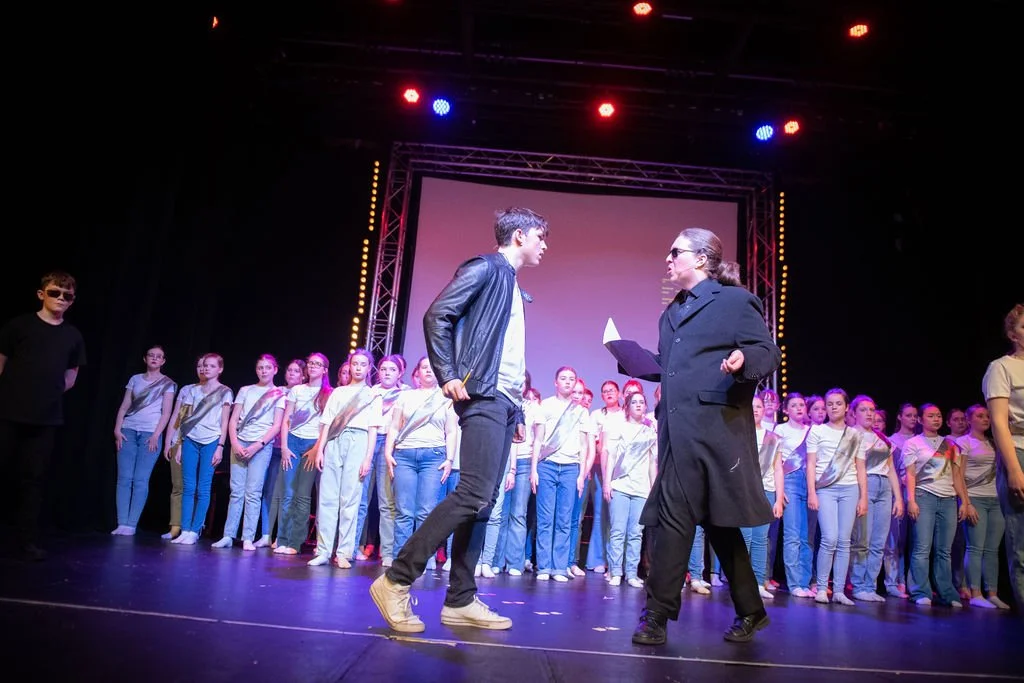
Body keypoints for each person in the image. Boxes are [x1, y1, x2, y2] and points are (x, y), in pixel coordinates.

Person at [369, 207, 548, 633]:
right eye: (541, 236)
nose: (545, 245)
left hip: (503, 400)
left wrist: (517, 408)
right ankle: (396, 580)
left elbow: (509, 355)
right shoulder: (487, 268)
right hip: (481, 394)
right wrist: (447, 373)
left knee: (483, 502)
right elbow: (438, 314)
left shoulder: (512, 284)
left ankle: (461, 600)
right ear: (520, 235)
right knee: (471, 493)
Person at [629, 227, 780, 646]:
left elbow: (767, 351)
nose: (668, 259)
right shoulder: (671, 311)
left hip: (717, 433)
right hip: (678, 432)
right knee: (674, 521)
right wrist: (634, 360)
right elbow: (674, 366)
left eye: (674, 252)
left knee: (720, 524)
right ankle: (656, 615)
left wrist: (744, 357)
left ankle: (751, 610)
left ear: (699, 258)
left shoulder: (733, 301)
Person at [0, 271, 87, 560]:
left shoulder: (72, 336)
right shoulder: (19, 326)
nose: (61, 299)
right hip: (9, 413)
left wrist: (45, 395)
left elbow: (71, 376)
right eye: (55, 293)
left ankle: (26, 541)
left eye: (67, 295)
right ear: (41, 294)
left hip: (46, 418)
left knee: (33, 480)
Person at [983, 303, 1024, 615]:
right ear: (1013, 334)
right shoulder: (1002, 367)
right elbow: (998, 423)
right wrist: (1013, 469)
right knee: (1021, 543)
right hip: (1018, 451)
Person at [111, 346, 177, 536]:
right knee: (124, 478)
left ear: (163, 361)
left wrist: (156, 435)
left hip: (150, 434)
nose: (155, 359)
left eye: (159, 357)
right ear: (145, 358)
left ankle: (131, 524)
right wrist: (117, 429)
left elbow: (166, 413)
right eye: (151, 355)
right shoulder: (135, 379)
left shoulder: (168, 384)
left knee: (140, 480)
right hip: (128, 431)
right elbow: (124, 406)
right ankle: (121, 522)